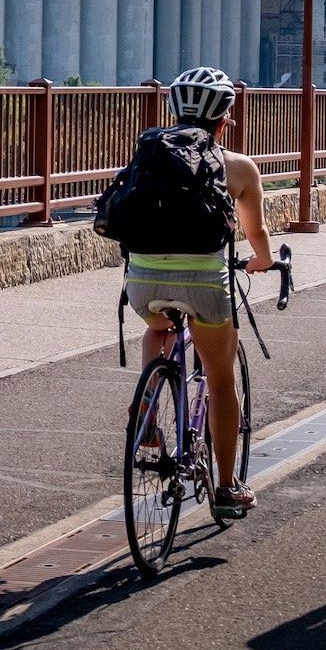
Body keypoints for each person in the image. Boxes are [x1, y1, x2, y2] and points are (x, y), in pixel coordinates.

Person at [120, 67, 274, 520]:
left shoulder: (148, 155)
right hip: (205, 283)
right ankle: (226, 488)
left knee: (159, 328)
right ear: (225, 119)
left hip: (144, 280)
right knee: (221, 378)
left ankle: (147, 413)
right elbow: (257, 232)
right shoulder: (239, 167)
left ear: (173, 111)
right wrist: (262, 262)